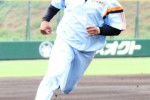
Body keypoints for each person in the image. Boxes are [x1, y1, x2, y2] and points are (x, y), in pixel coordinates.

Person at [35, 0, 126, 99]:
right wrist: (45, 20)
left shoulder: (110, 2)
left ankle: (61, 79)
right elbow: (55, 5)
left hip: (87, 50)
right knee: (53, 74)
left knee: (67, 88)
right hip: (65, 40)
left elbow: (117, 28)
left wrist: (100, 30)